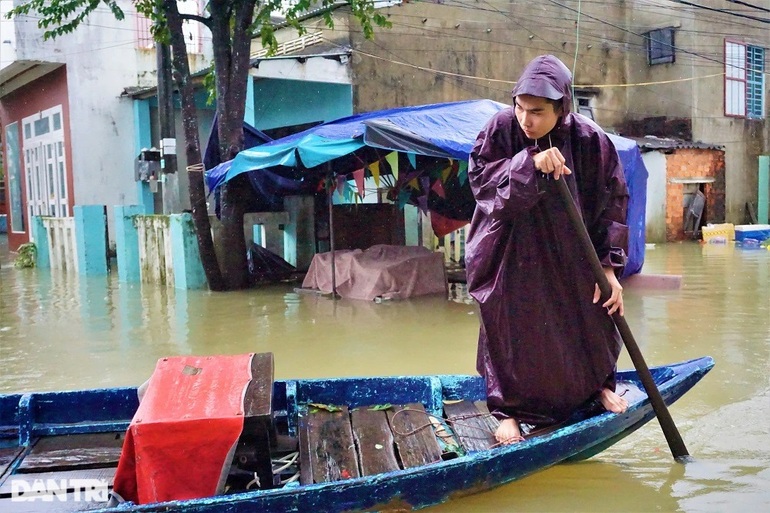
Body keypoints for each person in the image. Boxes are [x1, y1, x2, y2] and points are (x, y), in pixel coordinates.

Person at [464, 54, 630, 444]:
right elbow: (483, 186)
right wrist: (530, 164)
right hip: (509, 248)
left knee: (592, 313)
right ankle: (510, 410)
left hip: (573, 251)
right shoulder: (501, 129)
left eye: (537, 112)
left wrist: (608, 267)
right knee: (510, 323)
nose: (526, 120)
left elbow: (614, 204)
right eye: (521, 108)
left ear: (562, 107)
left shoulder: (590, 141)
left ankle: (597, 387)